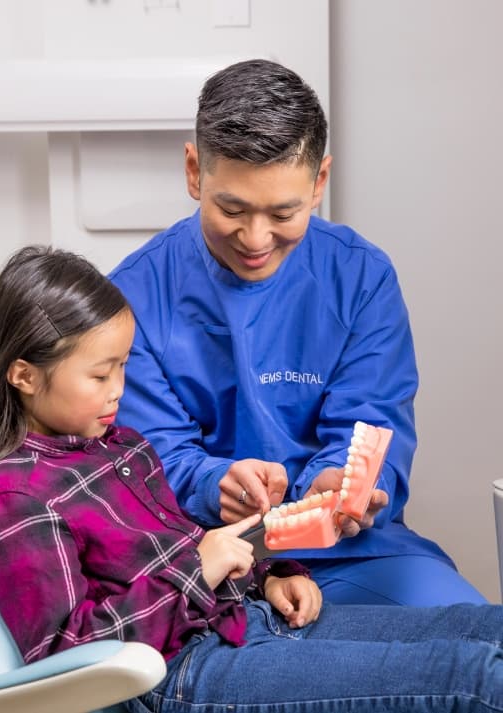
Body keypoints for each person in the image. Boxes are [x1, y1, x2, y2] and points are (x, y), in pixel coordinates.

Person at [0, 245, 503, 712]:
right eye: (99, 373)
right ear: (23, 375)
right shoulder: (14, 496)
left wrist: (274, 574)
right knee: (474, 678)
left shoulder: (120, 447)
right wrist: (200, 570)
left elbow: (191, 546)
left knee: (489, 633)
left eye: (123, 365)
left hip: (246, 620)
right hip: (181, 674)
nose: (119, 388)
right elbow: (67, 660)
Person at [108, 58, 487, 606]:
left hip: (350, 551)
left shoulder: (360, 278)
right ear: (194, 173)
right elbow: (150, 457)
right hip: (212, 553)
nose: (255, 238)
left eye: (282, 212)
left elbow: (374, 423)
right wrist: (216, 483)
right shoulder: (132, 297)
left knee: (475, 638)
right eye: (232, 208)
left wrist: (335, 483)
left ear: (319, 183)